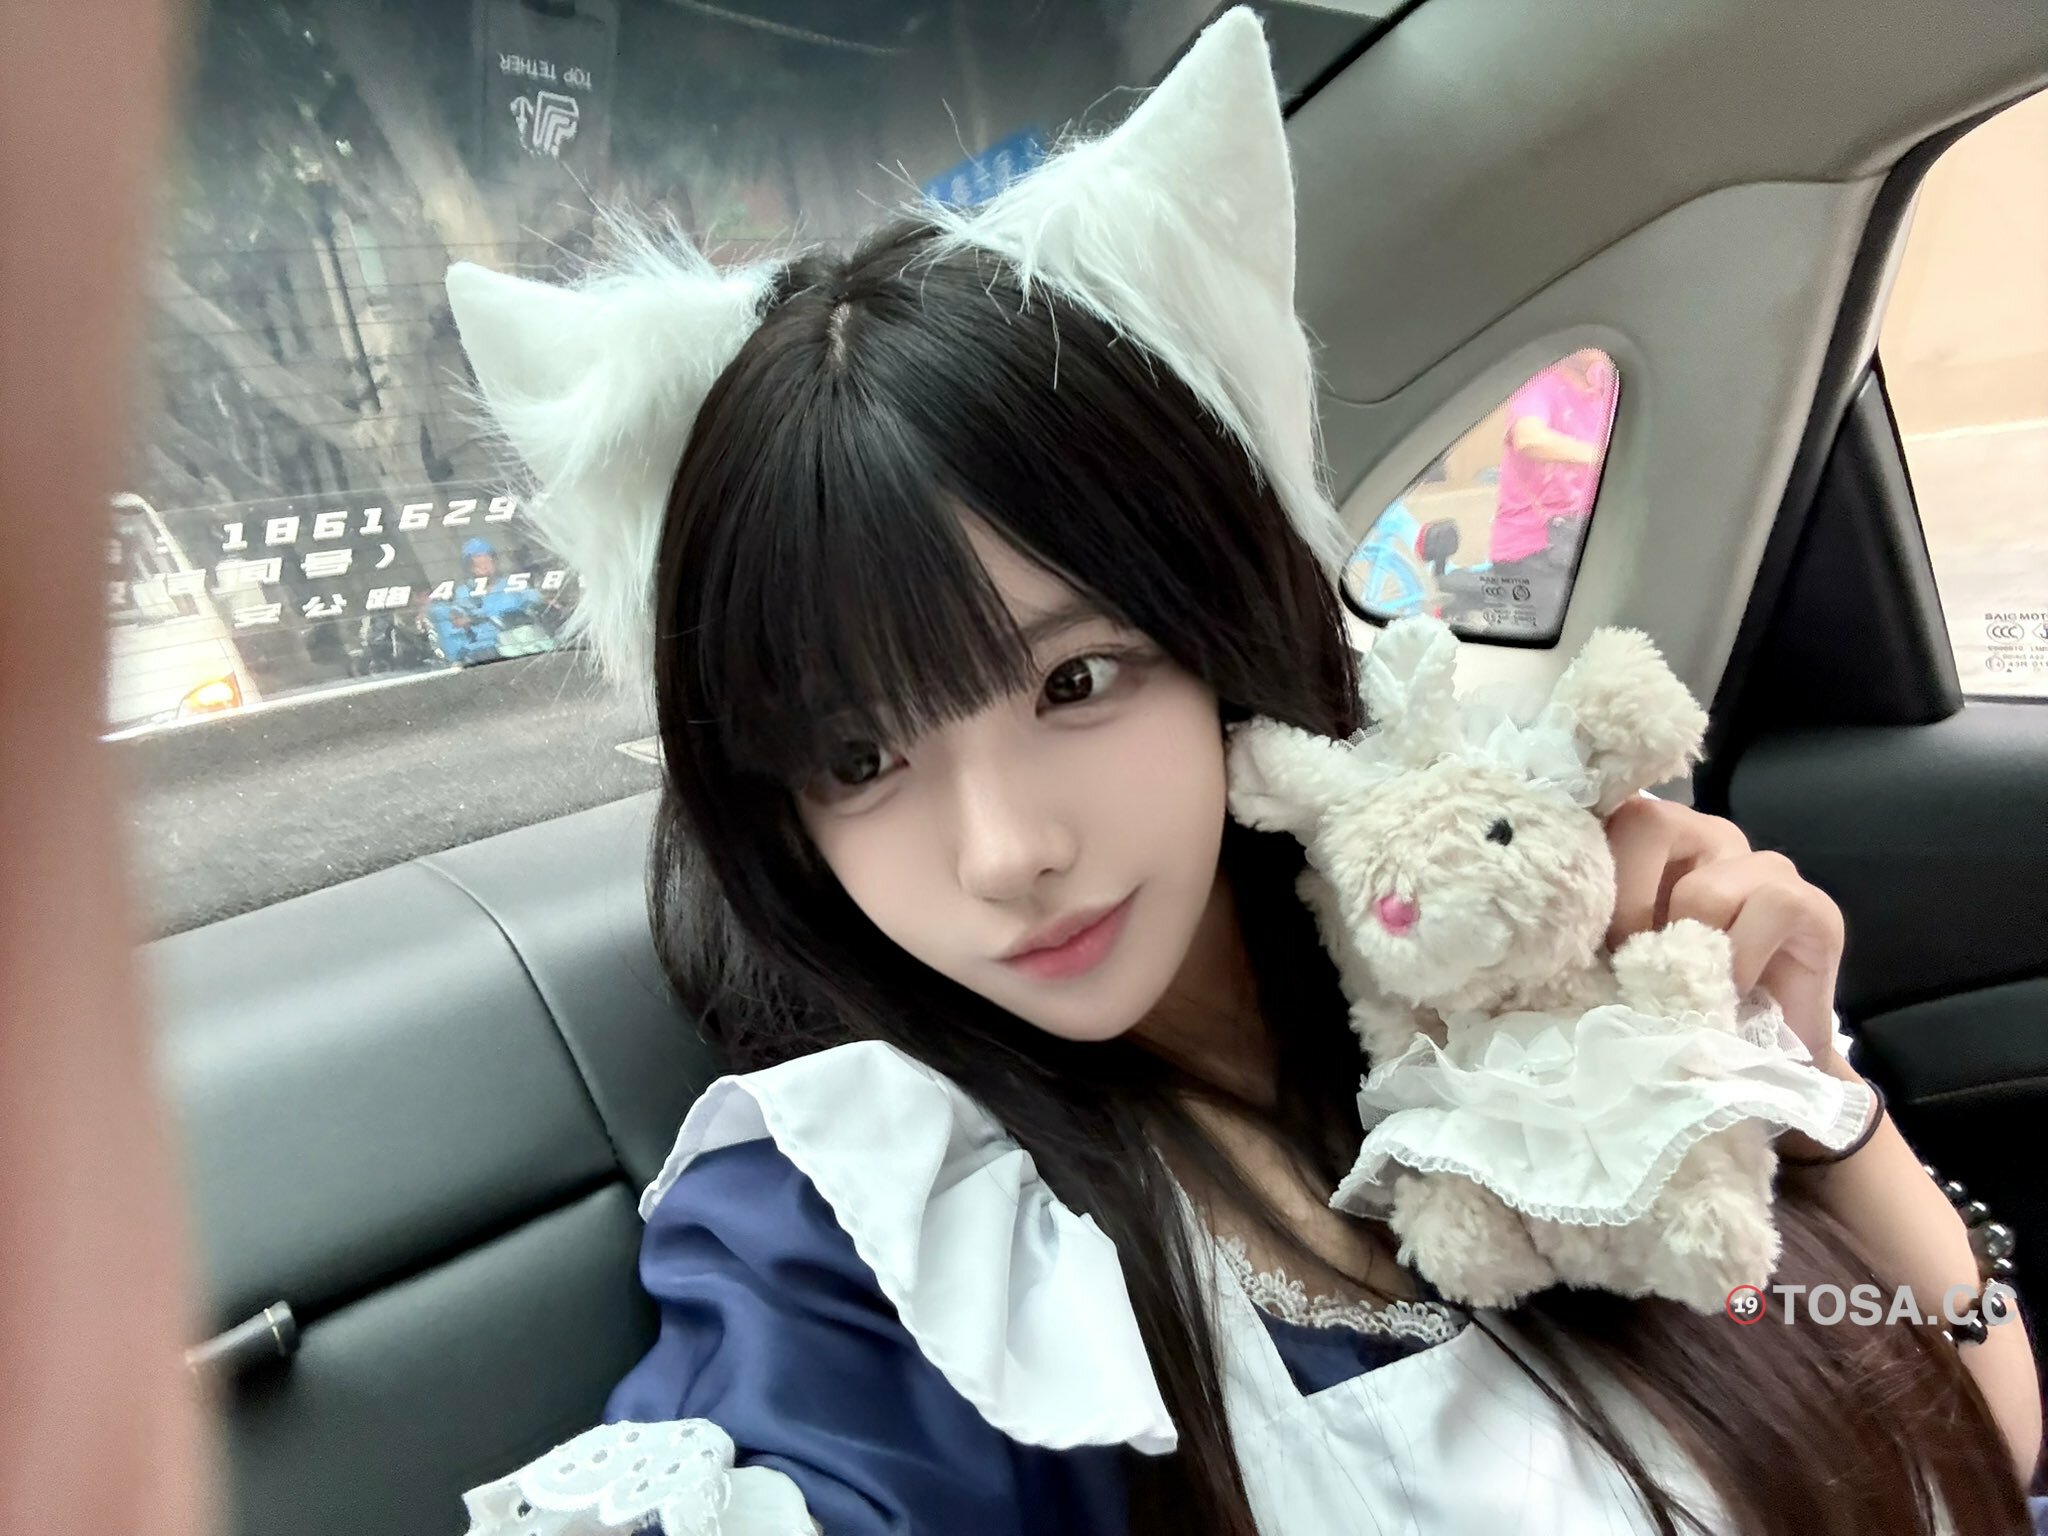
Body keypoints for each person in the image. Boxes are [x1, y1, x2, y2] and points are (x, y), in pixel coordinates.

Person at [449, 13, 2040, 1535]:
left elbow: (1983, 1430)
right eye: (859, 757)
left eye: (1074, 681)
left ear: (1225, 642)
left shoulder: (1500, 965)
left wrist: (1815, 1100)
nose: (1004, 851)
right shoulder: (879, 1231)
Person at [1485, 347, 1621, 614]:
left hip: (1582, 538)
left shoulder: (1604, 391)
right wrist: (1605, 456)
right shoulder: (1539, 384)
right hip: (1533, 549)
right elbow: (1529, 439)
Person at [427, 536, 554, 664]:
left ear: (495, 562)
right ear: (469, 567)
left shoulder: (513, 584)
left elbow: (537, 601)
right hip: (483, 654)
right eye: (478, 564)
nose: (484, 567)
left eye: (488, 562)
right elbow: (456, 621)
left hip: (520, 647)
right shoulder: (464, 592)